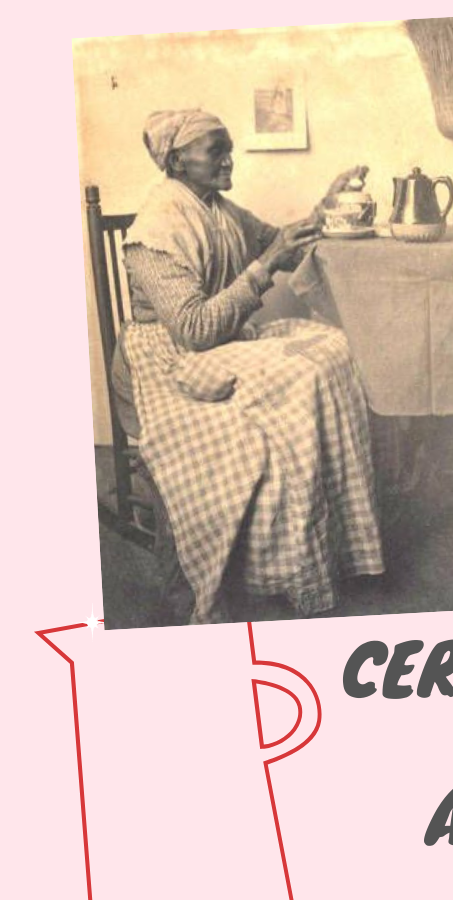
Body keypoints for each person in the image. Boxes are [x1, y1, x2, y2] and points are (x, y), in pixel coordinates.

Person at [111, 109, 384, 623]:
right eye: (216, 150)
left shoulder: (213, 206)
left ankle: (319, 543)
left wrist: (327, 205)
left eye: (228, 146)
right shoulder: (155, 229)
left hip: (216, 344)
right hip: (163, 364)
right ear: (177, 160)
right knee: (298, 382)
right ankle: (279, 559)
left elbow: (276, 240)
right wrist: (264, 267)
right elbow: (193, 328)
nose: (229, 158)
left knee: (330, 349)